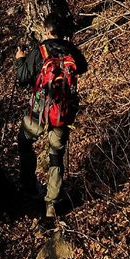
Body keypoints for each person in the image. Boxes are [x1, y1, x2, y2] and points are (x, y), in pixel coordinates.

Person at [15, 11, 88, 223]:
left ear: (46, 30)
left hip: (38, 112)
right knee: (56, 155)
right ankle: (51, 206)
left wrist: (20, 60)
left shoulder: (40, 51)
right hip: (62, 114)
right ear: (62, 31)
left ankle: (29, 186)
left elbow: (22, 78)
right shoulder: (70, 50)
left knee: (24, 142)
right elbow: (82, 67)